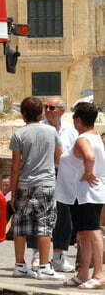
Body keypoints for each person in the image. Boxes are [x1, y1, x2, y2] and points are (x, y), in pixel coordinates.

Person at [10, 96, 64, 280]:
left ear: (23, 113)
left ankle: (19, 265)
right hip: (46, 184)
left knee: (20, 226)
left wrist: (13, 191)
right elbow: (58, 158)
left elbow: (15, 166)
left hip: (24, 184)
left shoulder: (19, 134)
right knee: (45, 226)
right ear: (41, 112)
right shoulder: (51, 131)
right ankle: (44, 267)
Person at [56, 102, 105, 288]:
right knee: (84, 233)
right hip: (84, 194)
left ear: (77, 119)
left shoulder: (82, 139)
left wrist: (88, 172)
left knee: (93, 232)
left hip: (85, 193)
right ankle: (83, 273)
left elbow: (89, 157)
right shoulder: (95, 136)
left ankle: (99, 274)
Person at [27, 97, 78, 273]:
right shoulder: (38, 128)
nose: (47, 110)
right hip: (42, 174)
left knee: (64, 215)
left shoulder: (70, 130)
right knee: (38, 215)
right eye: (45, 107)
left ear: (62, 110)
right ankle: (37, 255)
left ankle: (59, 256)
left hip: (63, 175)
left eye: (51, 107)